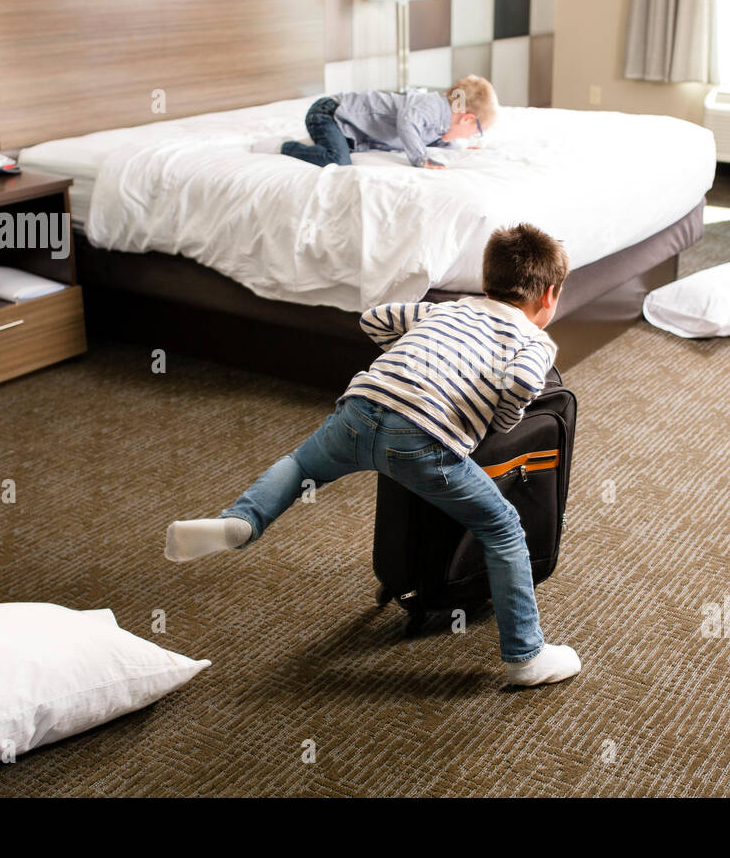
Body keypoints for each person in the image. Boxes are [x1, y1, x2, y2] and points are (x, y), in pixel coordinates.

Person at [165, 223, 582, 687]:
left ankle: (242, 521)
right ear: (549, 296)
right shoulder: (533, 340)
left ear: (486, 283)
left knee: (301, 466)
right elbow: (523, 383)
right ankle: (526, 656)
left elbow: (376, 319)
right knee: (502, 526)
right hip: (423, 440)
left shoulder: (450, 311)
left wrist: (421, 359)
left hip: (360, 409)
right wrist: (502, 417)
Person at [274, 75, 498, 169]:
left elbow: (436, 139)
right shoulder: (432, 105)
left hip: (348, 132)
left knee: (340, 151)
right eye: (474, 132)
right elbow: (407, 123)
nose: (470, 136)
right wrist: (421, 159)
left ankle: (315, 145)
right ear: (468, 118)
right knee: (339, 161)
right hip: (329, 113)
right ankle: (283, 147)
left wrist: (461, 145)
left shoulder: (439, 126)